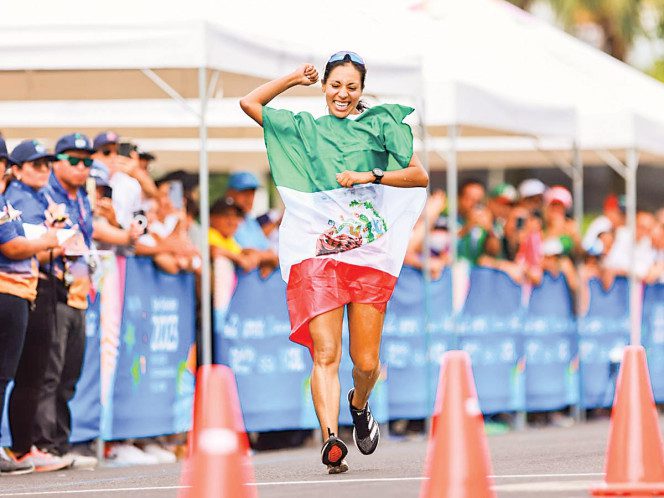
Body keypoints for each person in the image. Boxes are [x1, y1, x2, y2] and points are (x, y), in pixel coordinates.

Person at [240, 51, 428, 473]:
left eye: (351, 86)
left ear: (361, 90)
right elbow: (250, 103)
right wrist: (292, 78)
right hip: (318, 254)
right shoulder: (305, 128)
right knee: (326, 353)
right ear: (324, 86)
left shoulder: (380, 125)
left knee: (365, 363)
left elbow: (418, 176)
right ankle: (330, 438)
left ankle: (359, 406)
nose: (342, 94)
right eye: (335, 85)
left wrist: (371, 176)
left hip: (368, 255)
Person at [5, 139, 75, 472]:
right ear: (15, 169)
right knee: (27, 374)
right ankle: (24, 446)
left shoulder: (32, 196)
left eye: (47, 164)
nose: (44, 170)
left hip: (32, 288)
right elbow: (19, 246)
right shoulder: (15, 198)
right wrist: (49, 239)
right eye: (36, 164)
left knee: (32, 373)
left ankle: (25, 447)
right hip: (24, 288)